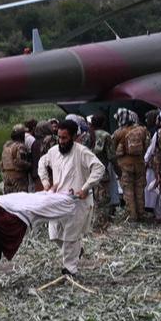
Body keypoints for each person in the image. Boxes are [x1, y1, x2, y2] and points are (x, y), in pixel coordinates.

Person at [37, 119, 106, 277]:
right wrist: (46, 183)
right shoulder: (54, 151)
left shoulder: (82, 152)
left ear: (74, 137)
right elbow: (42, 162)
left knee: (70, 236)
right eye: (59, 137)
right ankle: (77, 251)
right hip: (58, 200)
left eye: (65, 138)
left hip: (77, 202)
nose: (61, 141)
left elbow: (99, 168)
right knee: (54, 234)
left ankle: (70, 269)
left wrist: (85, 188)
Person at [111, 109, 148, 222]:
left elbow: (113, 149)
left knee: (128, 191)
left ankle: (132, 216)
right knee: (140, 190)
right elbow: (147, 145)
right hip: (140, 164)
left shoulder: (118, 133)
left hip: (125, 166)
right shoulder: (142, 130)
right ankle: (141, 214)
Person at [0, 125, 32, 195]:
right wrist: (30, 166)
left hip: (6, 178)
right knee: (21, 200)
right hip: (18, 179)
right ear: (21, 135)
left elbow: (1, 164)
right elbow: (20, 162)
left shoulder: (6, 146)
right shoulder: (20, 146)